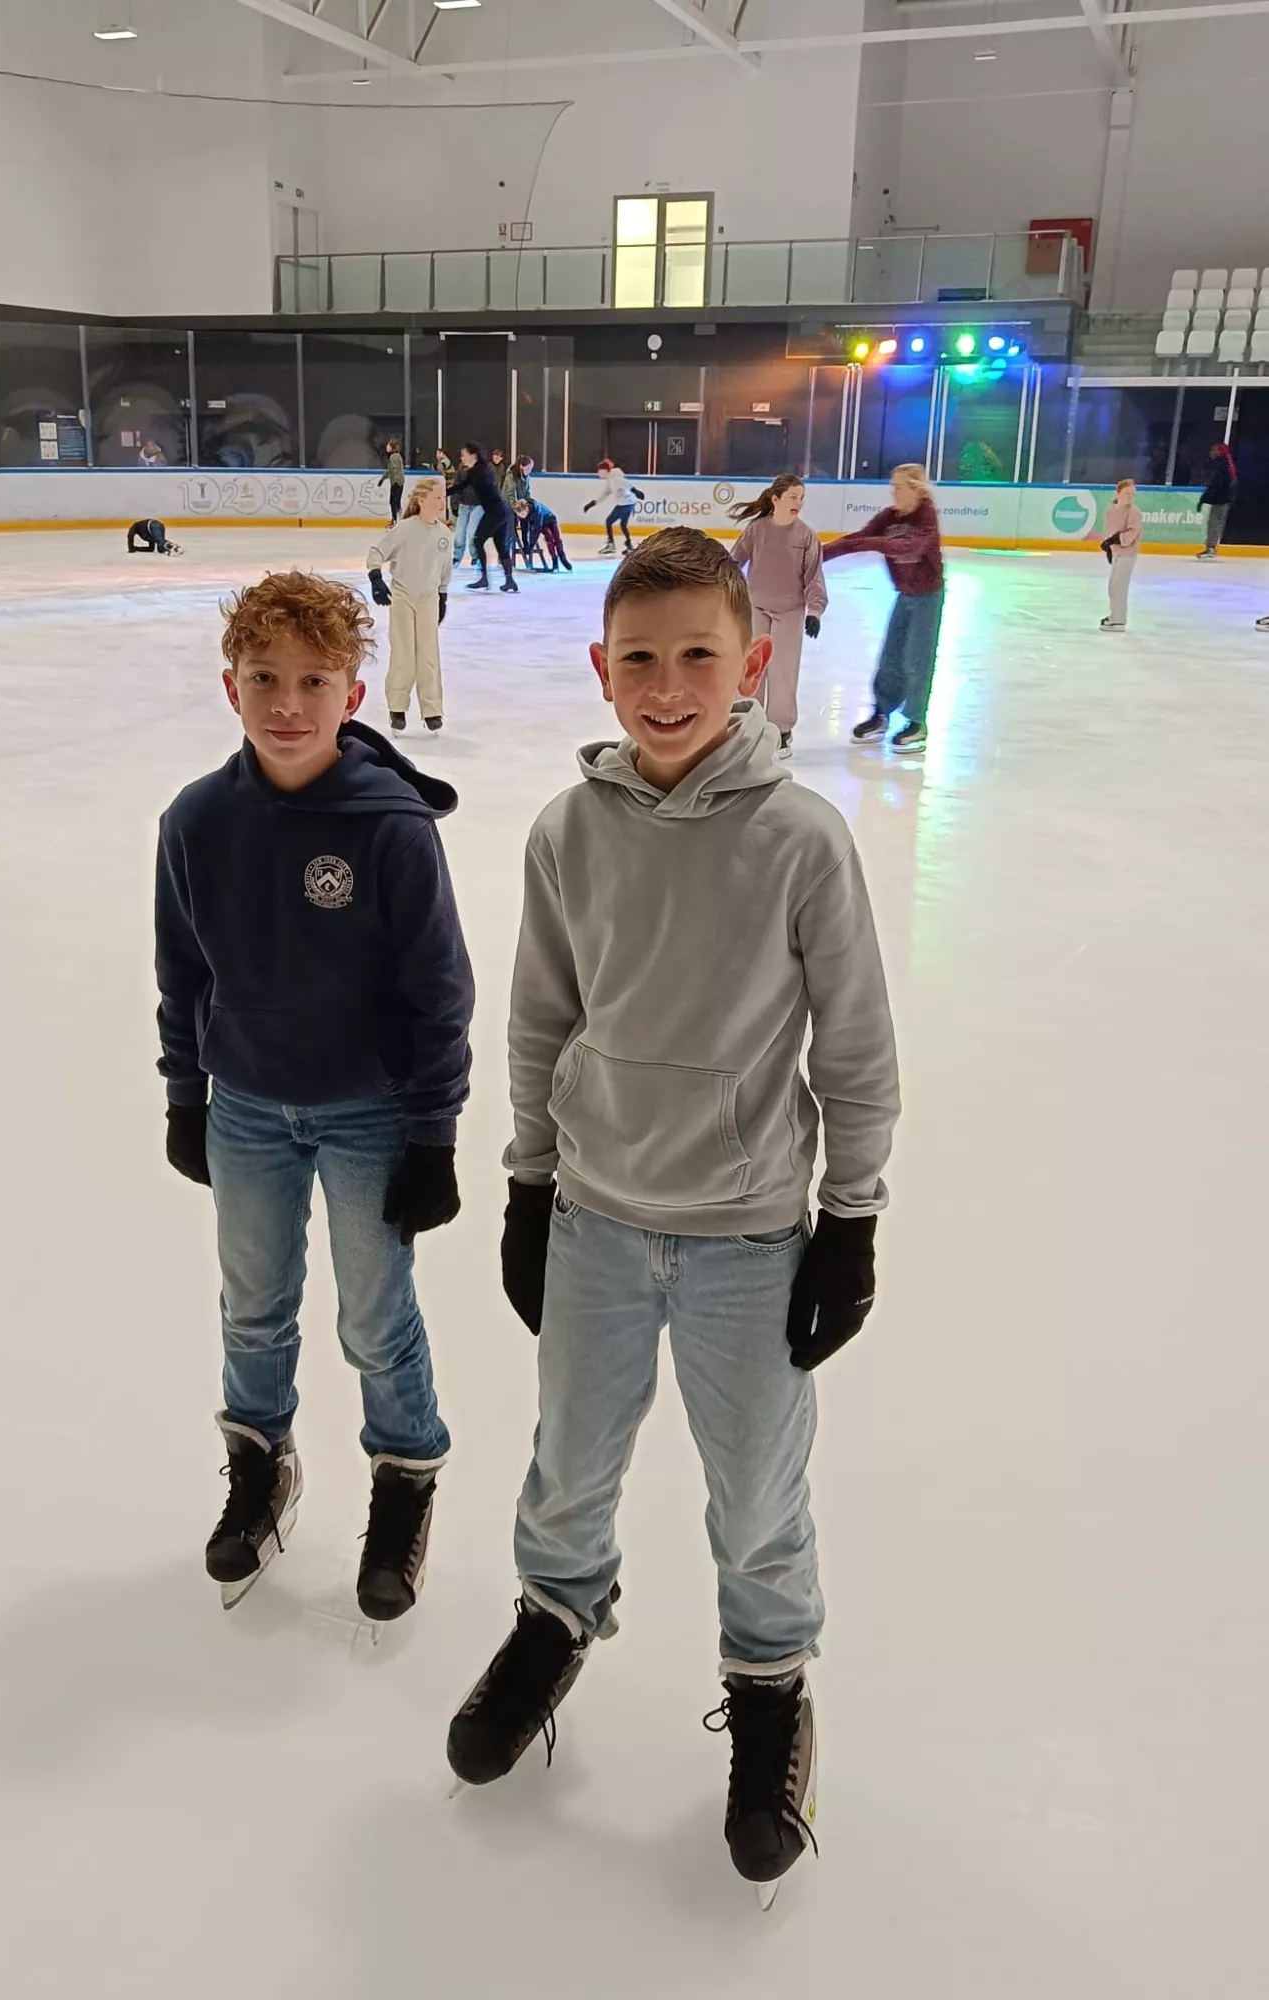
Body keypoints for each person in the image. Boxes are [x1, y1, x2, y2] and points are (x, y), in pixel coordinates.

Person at [445, 527, 899, 1910]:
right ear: (601, 667)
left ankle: (769, 1685)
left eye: (699, 654)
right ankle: (554, 1618)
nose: (666, 685)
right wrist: (528, 1183)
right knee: (568, 1461)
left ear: (751, 663)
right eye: (638, 658)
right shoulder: (566, 832)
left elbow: (855, 1047)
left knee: (756, 1492)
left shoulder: (800, 840)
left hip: (747, 1238)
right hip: (593, 1216)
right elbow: (540, 1018)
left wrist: (850, 1219)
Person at [154, 570, 475, 1621]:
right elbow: (181, 972)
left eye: (313, 681)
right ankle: (260, 1464)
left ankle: (404, 1475)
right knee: (252, 1306)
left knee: (376, 1315)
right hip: (246, 1107)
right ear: (230, 686)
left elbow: (440, 990)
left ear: (352, 692)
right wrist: (187, 1097)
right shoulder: (196, 821)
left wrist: (432, 1133)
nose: (286, 703)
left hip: (368, 1113)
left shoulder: (391, 829)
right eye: (264, 678)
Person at [823, 462, 944, 754]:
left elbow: (911, 547)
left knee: (917, 658)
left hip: (928, 597)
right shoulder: (889, 518)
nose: (894, 493)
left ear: (915, 490)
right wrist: (816, 556)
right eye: (892, 487)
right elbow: (856, 540)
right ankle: (881, 714)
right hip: (905, 594)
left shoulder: (926, 516)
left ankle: (917, 722)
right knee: (891, 656)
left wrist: (873, 543)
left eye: (899, 487)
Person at [728, 475, 829, 756]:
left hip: (790, 612)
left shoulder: (806, 536)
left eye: (802, 498)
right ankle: (747, 722)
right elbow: (734, 562)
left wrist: (815, 611)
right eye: (793, 497)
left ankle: (781, 729)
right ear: (776, 499)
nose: (799, 502)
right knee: (751, 667)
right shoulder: (757, 530)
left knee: (783, 671)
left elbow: (814, 577)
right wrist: (723, 593)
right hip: (755, 608)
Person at [367, 479, 453, 732]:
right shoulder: (404, 529)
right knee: (403, 653)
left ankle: (432, 709)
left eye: (443, 497)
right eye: (437, 498)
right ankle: (397, 707)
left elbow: (444, 570)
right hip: (403, 597)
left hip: (429, 599)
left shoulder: (444, 534)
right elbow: (377, 552)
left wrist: (443, 596)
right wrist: (376, 578)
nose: (442, 503)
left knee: (428, 655)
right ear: (421, 500)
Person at [453, 443, 518, 593]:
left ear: (473, 455)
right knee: (500, 545)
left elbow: (461, 485)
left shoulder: (478, 470)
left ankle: (485, 578)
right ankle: (509, 580)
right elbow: (462, 485)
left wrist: (442, 493)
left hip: (494, 511)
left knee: (477, 540)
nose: (462, 458)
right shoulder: (482, 469)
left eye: (464, 455)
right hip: (501, 510)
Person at [1099, 477, 1143, 630]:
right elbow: (1109, 531)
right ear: (1117, 494)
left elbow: (1132, 532)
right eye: (1127, 494)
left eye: (1132, 494)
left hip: (1128, 553)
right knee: (1113, 586)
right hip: (1117, 553)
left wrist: (1115, 540)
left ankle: (1119, 620)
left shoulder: (1134, 512)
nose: (1130, 497)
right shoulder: (1110, 511)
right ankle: (1114, 615)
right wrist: (1109, 548)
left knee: (1119, 586)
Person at [583, 460, 645, 555]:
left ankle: (611, 545)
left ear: (605, 470)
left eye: (599, 470)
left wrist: (636, 491)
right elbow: (605, 493)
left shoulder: (614, 478)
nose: (598, 472)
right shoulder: (610, 479)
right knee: (623, 525)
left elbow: (625, 483)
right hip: (628, 503)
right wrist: (593, 503)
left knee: (609, 522)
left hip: (624, 504)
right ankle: (629, 546)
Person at [513, 495, 572, 573]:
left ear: (527, 509)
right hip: (541, 524)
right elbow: (524, 529)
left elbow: (536, 530)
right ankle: (555, 561)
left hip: (550, 520)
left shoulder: (537, 510)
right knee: (549, 538)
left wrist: (531, 546)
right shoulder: (522, 513)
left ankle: (562, 558)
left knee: (557, 539)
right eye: (520, 515)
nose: (522, 517)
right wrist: (526, 544)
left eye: (523, 514)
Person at [1197, 442, 1236, 559]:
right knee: (1215, 523)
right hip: (1222, 500)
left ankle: (1211, 548)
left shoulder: (1222, 467)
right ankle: (1211, 547)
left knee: (1214, 523)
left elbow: (1216, 486)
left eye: (1213, 450)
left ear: (1219, 452)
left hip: (1221, 500)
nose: (1211, 453)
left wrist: (1204, 499)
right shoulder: (1223, 465)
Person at [379, 439, 406, 524]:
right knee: (395, 502)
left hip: (396, 483)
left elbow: (395, 470)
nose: (386, 447)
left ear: (391, 447)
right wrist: (383, 479)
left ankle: (396, 520)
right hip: (397, 482)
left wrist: (396, 482)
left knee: (394, 502)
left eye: (388, 445)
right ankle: (397, 519)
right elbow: (390, 471)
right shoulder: (395, 456)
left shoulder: (394, 456)